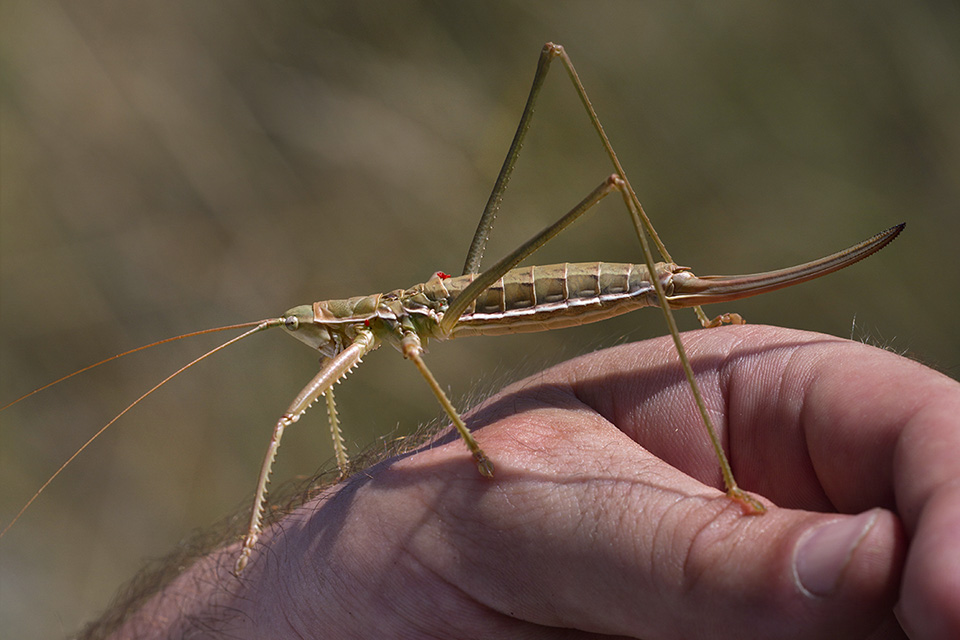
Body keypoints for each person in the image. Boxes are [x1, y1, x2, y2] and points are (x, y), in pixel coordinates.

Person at [103, 325, 959, 639]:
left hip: (495, 292)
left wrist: (478, 451)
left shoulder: (387, 330)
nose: (313, 339)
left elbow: (296, 418)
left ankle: (684, 300)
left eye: (311, 330)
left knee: (291, 417)